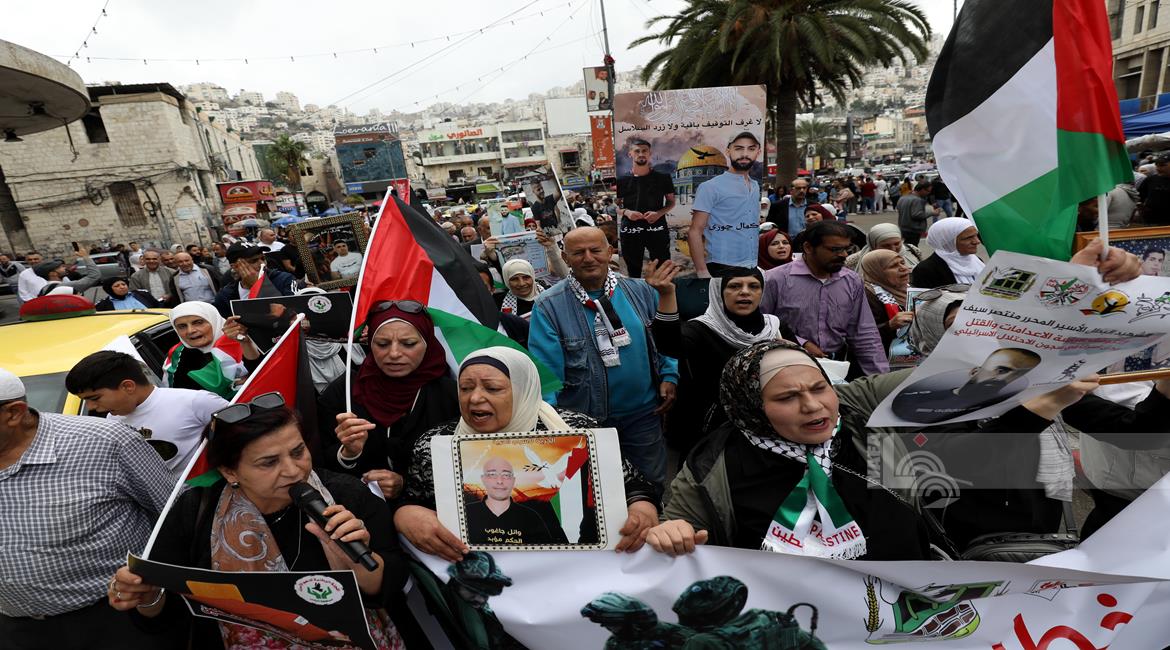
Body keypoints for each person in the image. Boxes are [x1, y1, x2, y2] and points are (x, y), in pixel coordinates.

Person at [107, 395, 407, 648]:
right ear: (230, 472)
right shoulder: (195, 510)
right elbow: (167, 610)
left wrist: (354, 561)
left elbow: (390, 587)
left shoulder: (344, 494)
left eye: (298, 451)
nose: (293, 470)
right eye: (269, 462)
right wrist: (145, 597)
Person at [644, 341, 931, 560]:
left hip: (904, 605)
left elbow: (948, 377)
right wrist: (670, 532)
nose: (812, 406)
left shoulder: (857, 412)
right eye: (787, 397)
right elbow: (679, 527)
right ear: (752, 407)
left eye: (819, 388)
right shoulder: (712, 467)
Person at [397, 347, 661, 559]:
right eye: (466, 388)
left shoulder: (576, 430)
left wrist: (642, 507)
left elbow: (634, 485)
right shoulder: (435, 443)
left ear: (523, 390)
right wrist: (406, 515)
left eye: (492, 388)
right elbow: (414, 499)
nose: (474, 398)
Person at [0, 368, 173, 649]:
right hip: (15, 629)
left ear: (13, 413)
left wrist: (156, 594)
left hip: (116, 620)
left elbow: (174, 518)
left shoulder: (105, 442)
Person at [528, 227, 679, 487]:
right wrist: (553, 426)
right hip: (583, 421)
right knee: (593, 491)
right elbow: (547, 373)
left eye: (596, 250)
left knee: (650, 484)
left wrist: (669, 374)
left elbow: (665, 340)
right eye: (578, 253)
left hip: (643, 415)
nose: (588, 258)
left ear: (609, 252)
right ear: (565, 258)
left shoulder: (642, 291)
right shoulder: (548, 305)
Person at [646, 262, 792, 453]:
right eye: (734, 286)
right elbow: (668, 345)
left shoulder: (775, 328)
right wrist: (667, 294)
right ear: (718, 292)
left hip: (769, 427)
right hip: (713, 433)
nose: (745, 292)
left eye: (753, 286)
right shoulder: (700, 329)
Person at [319, 301, 459, 500]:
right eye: (382, 344)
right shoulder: (344, 392)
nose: (394, 354)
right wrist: (348, 454)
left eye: (408, 344)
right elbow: (321, 463)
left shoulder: (452, 395)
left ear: (428, 342)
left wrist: (406, 483)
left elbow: (467, 464)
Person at [65, 351, 228, 481]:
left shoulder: (196, 402)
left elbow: (246, 436)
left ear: (128, 386)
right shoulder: (112, 421)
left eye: (94, 398)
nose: (92, 407)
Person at [761, 221, 889, 377]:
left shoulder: (852, 280)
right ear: (808, 248)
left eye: (846, 249)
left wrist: (880, 378)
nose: (844, 255)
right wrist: (800, 343)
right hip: (787, 368)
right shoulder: (775, 279)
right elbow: (762, 324)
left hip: (838, 368)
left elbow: (864, 333)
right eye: (835, 249)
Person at [891, 347, 1043, 424]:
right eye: (1002, 370)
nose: (1005, 379)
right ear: (975, 370)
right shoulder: (915, 401)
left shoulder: (1015, 407)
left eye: (1019, 376)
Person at [689, 132, 762, 277]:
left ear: (758, 153)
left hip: (752, 264)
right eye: (739, 148)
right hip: (721, 266)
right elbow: (694, 231)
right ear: (728, 151)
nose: (745, 154)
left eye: (751, 149)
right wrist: (702, 271)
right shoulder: (710, 187)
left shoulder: (755, 186)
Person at [464, 455, 569, 545]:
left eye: (506, 475)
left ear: (514, 480)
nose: (500, 481)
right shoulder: (466, 513)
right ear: (483, 479)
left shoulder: (531, 516)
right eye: (492, 475)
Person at [164, 302, 259, 399]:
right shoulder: (177, 357)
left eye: (198, 322)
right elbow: (181, 398)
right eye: (182, 326)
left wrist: (245, 343)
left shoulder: (244, 337)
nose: (190, 330)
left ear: (214, 320)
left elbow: (262, 370)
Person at [615, 138, 676, 278]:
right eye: (637, 151)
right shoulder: (622, 180)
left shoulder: (663, 178)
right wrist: (627, 212)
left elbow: (671, 203)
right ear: (630, 154)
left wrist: (658, 213)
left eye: (644, 151)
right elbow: (615, 205)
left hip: (657, 229)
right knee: (633, 272)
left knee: (662, 270)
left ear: (650, 153)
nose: (641, 154)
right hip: (630, 231)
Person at [212, 243, 297, 316]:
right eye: (253, 261)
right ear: (235, 266)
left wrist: (260, 286)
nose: (262, 264)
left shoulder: (284, 279)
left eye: (263, 258)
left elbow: (292, 314)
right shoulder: (225, 295)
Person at [859, 250, 914, 353]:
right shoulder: (866, 297)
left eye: (902, 262)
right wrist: (890, 325)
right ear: (877, 272)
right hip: (883, 360)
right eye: (893, 266)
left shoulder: (910, 287)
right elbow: (859, 337)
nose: (904, 268)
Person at [911, 218, 985, 288]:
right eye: (968, 238)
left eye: (976, 235)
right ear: (948, 242)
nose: (977, 241)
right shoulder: (926, 270)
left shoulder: (977, 261)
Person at [844, 223, 924, 272]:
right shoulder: (853, 260)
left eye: (897, 244)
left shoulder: (912, 250)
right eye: (886, 245)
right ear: (873, 245)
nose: (893, 249)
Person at [31, 254, 101, 297]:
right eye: (60, 267)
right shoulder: (65, 286)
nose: (64, 268)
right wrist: (85, 256)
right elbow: (94, 276)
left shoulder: (43, 289)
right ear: (52, 273)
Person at [95, 276, 161, 311]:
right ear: (109, 290)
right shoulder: (103, 305)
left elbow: (158, 307)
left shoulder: (142, 294)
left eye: (123, 284)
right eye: (117, 286)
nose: (122, 287)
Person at [1138, 153, 1170, 224]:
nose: (1158, 168)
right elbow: (1139, 197)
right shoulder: (1150, 180)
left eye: (1162, 165)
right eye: (1156, 165)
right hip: (1153, 222)